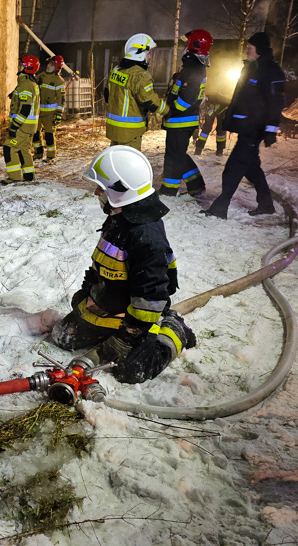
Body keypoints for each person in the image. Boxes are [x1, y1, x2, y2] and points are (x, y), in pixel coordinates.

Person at [51, 146, 195, 384]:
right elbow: (102, 262)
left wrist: (128, 336)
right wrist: (87, 292)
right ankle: (113, 332)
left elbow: (151, 293)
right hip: (110, 307)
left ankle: (173, 329)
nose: (96, 191)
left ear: (121, 191)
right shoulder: (120, 217)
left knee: (130, 371)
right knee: (62, 337)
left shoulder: (145, 236)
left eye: (102, 187)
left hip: (137, 316)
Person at [202, 32, 285, 219]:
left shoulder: (271, 72)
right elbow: (241, 97)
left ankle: (220, 207)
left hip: (254, 128)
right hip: (246, 126)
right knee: (251, 167)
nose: (247, 49)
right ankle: (266, 204)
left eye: (251, 47)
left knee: (233, 167)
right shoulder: (250, 69)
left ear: (260, 51)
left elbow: (275, 102)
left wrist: (271, 129)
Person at [159, 29, 212, 197]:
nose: (184, 47)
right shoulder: (192, 66)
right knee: (177, 154)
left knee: (173, 157)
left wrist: (170, 109)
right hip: (180, 121)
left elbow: (187, 98)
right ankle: (196, 184)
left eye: (187, 43)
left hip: (180, 120)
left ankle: (169, 190)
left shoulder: (194, 68)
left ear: (193, 45)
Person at [104, 33, 167, 150]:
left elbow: (107, 96)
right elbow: (150, 101)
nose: (150, 57)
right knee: (127, 165)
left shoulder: (116, 70)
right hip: (130, 132)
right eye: (148, 53)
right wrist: (168, 110)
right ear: (139, 54)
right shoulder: (139, 75)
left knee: (117, 162)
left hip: (114, 130)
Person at [3, 54, 40, 184]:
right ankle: (29, 176)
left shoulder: (26, 84)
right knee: (24, 150)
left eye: (21, 65)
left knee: (9, 148)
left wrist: (14, 126)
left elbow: (25, 109)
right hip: (29, 127)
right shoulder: (28, 83)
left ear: (27, 67)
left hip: (22, 126)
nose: (18, 66)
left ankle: (14, 178)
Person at [33, 55, 66, 161]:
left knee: (49, 136)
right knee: (35, 134)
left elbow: (61, 99)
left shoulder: (59, 81)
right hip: (37, 112)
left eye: (52, 64)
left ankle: (51, 156)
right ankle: (38, 153)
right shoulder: (40, 77)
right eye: (49, 63)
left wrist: (59, 114)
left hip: (50, 114)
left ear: (57, 67)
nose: (49, 66)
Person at [194, 91, 230, 156]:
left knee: (218, 129)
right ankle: (199, 148)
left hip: (222, 108)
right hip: (214, 106)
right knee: (209, 128)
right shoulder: (209, 96)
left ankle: (218, 150)